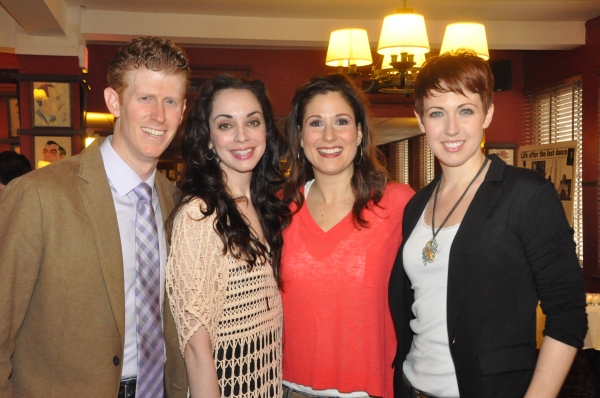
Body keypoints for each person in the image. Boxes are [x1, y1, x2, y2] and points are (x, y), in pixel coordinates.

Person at [388, 50, 587, 398]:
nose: (451, 128)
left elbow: (568, 315)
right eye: (437, 113)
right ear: (421, 121)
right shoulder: (416, 205)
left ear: (487, 114)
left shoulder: (525, 194)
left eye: (465, 110)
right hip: (411, 387)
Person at [0, 36, 190, 397]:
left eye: (170, 101)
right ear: (114, 101)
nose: (159, 116)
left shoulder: (179, 204)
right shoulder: (39, 195)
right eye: (145, 98)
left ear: (182, 111)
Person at [280, 74, 414, 398]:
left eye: (341, 121)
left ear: (359, 133)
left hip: (369, 391)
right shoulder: (277, 210)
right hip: (287, 389)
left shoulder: (397, 204)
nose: (328, 136)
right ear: (299, 136)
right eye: (315, 123)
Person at [166, 75, 289, 398]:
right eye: (225, 125)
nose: (242, 136)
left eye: (253, 121)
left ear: (266, 130)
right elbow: (195, 346)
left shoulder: (263, 207)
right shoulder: (199, 216)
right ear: (207, 139)